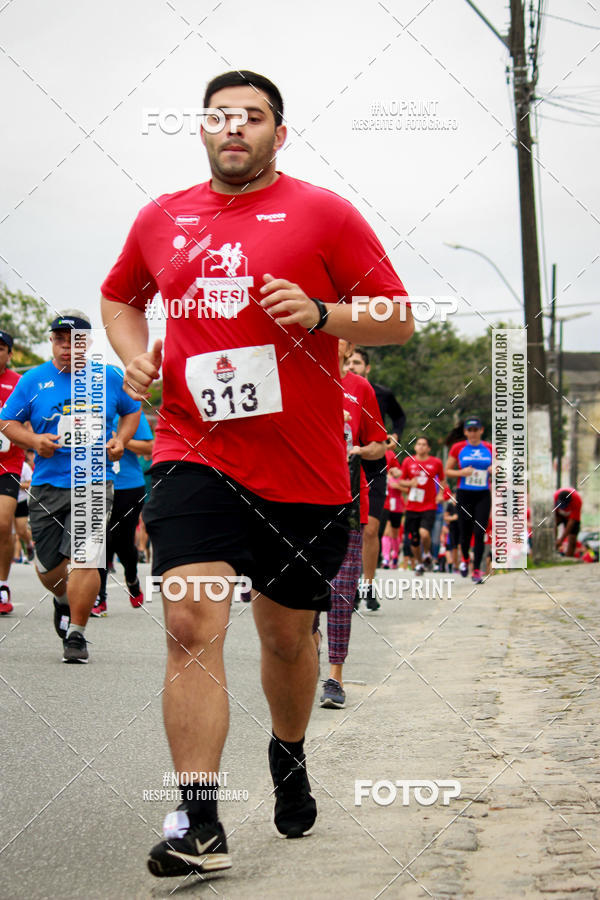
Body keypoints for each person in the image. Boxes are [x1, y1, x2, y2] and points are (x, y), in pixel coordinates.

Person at [100, 70, 413, 877]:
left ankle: (290, 748)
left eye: (253, 118)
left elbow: (398, 315)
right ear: (201, 130)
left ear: (280, 132)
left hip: (303, 471)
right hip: (192, 450)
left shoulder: (324, 213)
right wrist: (137, 358)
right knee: (191, 628)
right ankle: (199, 822)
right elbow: (119, 297)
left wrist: (321, 313)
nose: (234, 129)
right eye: (219, 117)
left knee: (286, 638)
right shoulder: (162, 218)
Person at [0, 311, 140, 661]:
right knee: (48, 568)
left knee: (86, 558)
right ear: (52, 342)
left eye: (76, 340)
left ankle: (76, 634)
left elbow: (132, 409)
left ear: (88, 344)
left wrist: (120, 440)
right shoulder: (33, 380)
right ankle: (63, 600)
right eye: (61, 339)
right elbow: (6, 422)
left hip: (94, 479)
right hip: (49, 484)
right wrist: (34, 441)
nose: (68, 347)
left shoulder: (108, 376)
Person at [318, 340, 386, 708]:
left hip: (348, 499)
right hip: (303, 499)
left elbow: (379, 443)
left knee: (342, 594)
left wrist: (360, 450)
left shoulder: (361, 388)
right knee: (308, 597)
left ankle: (335, 676)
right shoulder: (303, 375)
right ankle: (304, 655)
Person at [346, 348, 406, 609]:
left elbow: (400, 416)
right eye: (349, 362)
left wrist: (395, 436)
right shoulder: (336, 387)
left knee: (371, 529)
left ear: (367, 367)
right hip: (346, 464)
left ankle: (367, 585)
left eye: (357, 362)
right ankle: (346, 582)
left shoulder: (379, 392)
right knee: (350, 529)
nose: (352, 366)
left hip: (374, 466)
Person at [93, 406, 154, 616]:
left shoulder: (130, 411)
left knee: (124, 542)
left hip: (128, 486)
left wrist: (120, 440)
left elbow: (149, 448)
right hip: (95, 484)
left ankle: (132, 579)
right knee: (101, 541)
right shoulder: (86, 408)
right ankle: (99, 597)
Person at [445, 416, 493, 584]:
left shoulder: (489, 447)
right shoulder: (458, 448)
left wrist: (494, 468)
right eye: (470, 430)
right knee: (464, 532)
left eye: (476, 430)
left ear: (481, 430)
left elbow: (499, 467)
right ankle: (465, 559)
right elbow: (448, 471)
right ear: (465, 432)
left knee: (480, 532)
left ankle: (477, 570)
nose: (473, 434)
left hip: (483, 494)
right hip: (464, 494)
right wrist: (461, 473)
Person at [0, 330, 25, 613]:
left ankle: (2, 584)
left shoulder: (19, 384)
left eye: (1, 348)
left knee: (2, 524)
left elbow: (30, 424)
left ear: (9, 354)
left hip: (8, 464)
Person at [398, 436, 446, 575]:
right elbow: (401, 481)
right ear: (415, 447)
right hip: (412, 506)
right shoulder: (408, 461)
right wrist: (409, 483)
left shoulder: (436, 462)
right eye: (419, 444)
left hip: (429, 505)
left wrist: (440, 494)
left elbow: (442, 480)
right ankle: (420, 564)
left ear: (429, 448)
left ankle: (427, 554)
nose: (421, 447)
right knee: (413, 540)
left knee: (424, 533)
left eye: (424, 444)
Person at [380, 447, 404, 569]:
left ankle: (395, 554)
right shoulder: (381, 476)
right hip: (385, 504)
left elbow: (406, 488)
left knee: (395, 533)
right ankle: (385, 558)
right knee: (386, 531)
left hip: (397, 506)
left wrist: (397, 485)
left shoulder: (397, 474)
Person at [13, 456, 34, 563]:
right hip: (5, 501)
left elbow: (31, 483)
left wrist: (18, 485)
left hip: (21, 501)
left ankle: (29, 543)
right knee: (6, 530)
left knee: (21, 530)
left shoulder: (24, 467)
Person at [553, 488, 583, 558]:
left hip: (571, 517)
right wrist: (555, 540)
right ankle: (553, 551)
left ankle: (569, 558)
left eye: (564, 505)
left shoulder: (577, 501)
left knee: (572, 539)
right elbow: (552, 518)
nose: (563, 508)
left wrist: (561, 540)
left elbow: (571, 522)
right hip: (558, 515)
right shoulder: (554, 497)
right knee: (552, 526)